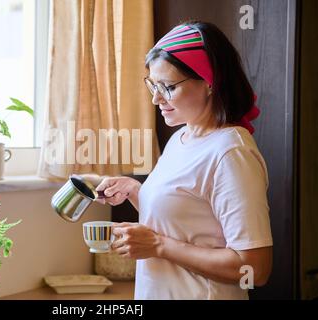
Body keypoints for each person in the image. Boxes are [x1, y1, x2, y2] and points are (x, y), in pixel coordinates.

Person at [94, 21, 273, 300]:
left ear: (209, 82)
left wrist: (158, 246)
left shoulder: (231, 152)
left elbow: (254, 268)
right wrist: (134, 190)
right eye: (153, 85)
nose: (156, 98)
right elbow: (187, 220)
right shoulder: (182, 138)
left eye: (167, 87)